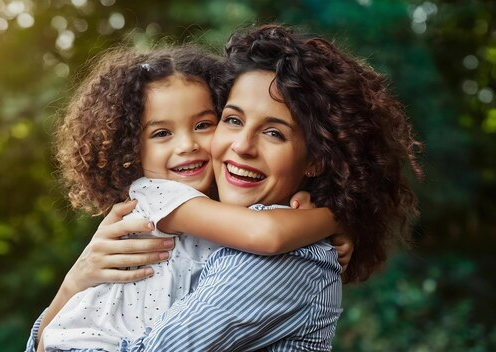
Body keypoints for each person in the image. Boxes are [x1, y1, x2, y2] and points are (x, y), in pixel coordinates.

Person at [28, 23, 423, 351]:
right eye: (233, 120)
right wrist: (335, 217)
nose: (240, 147)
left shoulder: (289, 254)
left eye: (274, 132)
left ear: (316, 158)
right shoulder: (165, 197)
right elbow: (265, 233)